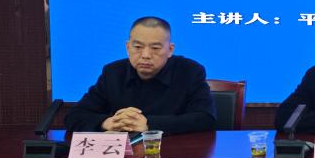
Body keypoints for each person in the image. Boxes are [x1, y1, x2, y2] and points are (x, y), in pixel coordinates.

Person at [64, 16, 216, 134]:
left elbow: (206, 119)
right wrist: (107, 122)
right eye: (137, 47)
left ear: (170, 50)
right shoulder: (113, 73)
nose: (145, 55)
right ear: (127, 47)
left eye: (155, 48)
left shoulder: (190, 71)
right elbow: (75, 116)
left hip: (173, 156)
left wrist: (149, 124)